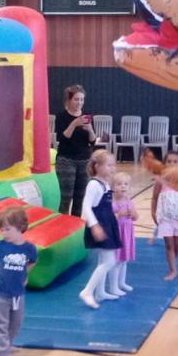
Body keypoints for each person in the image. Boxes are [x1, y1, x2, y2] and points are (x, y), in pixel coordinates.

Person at [0, 206, 37, 356]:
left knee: (16, 321)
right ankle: (2, 354)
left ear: (20, 227)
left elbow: (33, 261)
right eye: (1, 230)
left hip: (18, 293)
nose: (3, 233)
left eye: (7, 229)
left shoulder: (29, 248)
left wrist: (25, 274)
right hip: (0, 291)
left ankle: (8, 344)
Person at [78, 150, 123, 308]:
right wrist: (94, 225)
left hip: (107, 223)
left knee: (103, 260)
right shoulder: (93, 184)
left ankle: (100, 292)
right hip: (99, 225)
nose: (113, 168)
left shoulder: (104, 184)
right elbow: (86, 206)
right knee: (109, 262)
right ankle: (87, 291)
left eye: (114, 165)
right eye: (109, 165)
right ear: (97, 166)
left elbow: (106, 205)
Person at [55, 84, 96, 217]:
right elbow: (62, 138)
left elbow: (92, 141)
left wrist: (90, 129)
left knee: (80, 198)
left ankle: (75, 227)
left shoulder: (87, 117)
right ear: (69, 100)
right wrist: (74, 124)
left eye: (82, 100)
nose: (79, 103)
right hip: (66, 160)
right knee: (66, 197)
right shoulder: (61, 116)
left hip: (84, 160)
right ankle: (63, 227)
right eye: (76, 99)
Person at [152, 150, 178, 281]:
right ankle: (173, 269)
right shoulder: (160, 181)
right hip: (165, 218)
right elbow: (155, 198)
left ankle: (172, 257)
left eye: (175, 161)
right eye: (169, 161)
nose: (172, 164)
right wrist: (153, 213)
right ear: (164, 164)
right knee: (169, 245)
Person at [111, 172, 137, 293]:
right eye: (119, 184)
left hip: (127, 233)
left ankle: (122, 282)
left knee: (124, 259)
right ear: (113, 188)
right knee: (117, 260)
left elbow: (136, 217)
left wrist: (133, 214)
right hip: (118, 233)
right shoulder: (112, 203)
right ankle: (114, 286)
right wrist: (118, 215)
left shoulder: (129, 202)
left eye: (125, 184)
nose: (123, 186)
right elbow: (109, 218)